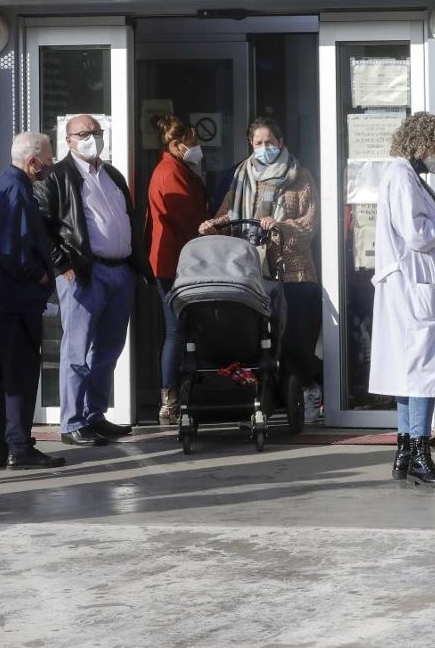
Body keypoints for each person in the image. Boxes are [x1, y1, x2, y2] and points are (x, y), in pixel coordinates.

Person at [367, 112, 435, 488]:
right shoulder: (402, 177)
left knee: (410, 374)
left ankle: (406, 452)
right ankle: (422, 456)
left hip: (411, 289)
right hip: (414, 290)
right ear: (422, 144)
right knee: (424, 374)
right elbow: (418, 234)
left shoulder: (404, 176)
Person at [36, 114, 151, 445]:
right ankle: (71, 422)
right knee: (77, 349)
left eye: (96, 132)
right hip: (85, 273)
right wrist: (62, 265)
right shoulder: (56, 177)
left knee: (108, 350)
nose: (92, 138)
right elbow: (41, 228)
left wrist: (136, 267)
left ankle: (94, 414)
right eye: (83, 133)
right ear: (68, 140)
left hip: (120, 271)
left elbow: (128, 219)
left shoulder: (112, 174)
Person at [201, 117, 322, 419]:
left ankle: (308, 390)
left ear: (281, 143)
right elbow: (228, 215)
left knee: (296, 337)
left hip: (293, 271)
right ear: (250, 146)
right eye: (258, 143)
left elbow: (310, 223)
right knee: (261, 339)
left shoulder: (300, 176)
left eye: (270, 142)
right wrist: (211, 227)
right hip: (254, 273)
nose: (265, 148)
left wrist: (280, 225)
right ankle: (265, 394)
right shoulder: (242, 176)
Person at [0, 132, 64, 470]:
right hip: (17, 298)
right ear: (32, 161)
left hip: (5, 297)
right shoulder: (14, 190)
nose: (50, 165)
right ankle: (19, 447)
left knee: (6, 376)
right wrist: (39, 275)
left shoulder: (2, 185)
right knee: (20, 376)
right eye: (48, 159)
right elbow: (15, 250)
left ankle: (4, 445)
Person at [146, 115, 209, 425]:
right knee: (175, 331)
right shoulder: (170, 173)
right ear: (176, 144)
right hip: (174, 263)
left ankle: (176, 394)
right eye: (193, 143)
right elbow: (189, 220)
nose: (196, 147)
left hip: (176, 260)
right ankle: (169, 399)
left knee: (179, 329)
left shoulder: (177, 169)